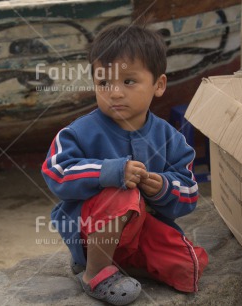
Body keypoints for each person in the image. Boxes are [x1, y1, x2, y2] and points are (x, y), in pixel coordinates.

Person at [41, 24, 208, 305]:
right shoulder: (78, 132)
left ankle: (123, 264)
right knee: (123, 193)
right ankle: (93, 271)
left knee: (189, 268)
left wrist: (163, 188)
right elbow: (55, 172)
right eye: (104, 83)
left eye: (128, 82)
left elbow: (191, 192)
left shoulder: (170, 138)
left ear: (159, 85)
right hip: (90, 228)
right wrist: (109, 172)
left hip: (143, 230)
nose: (115, 93)